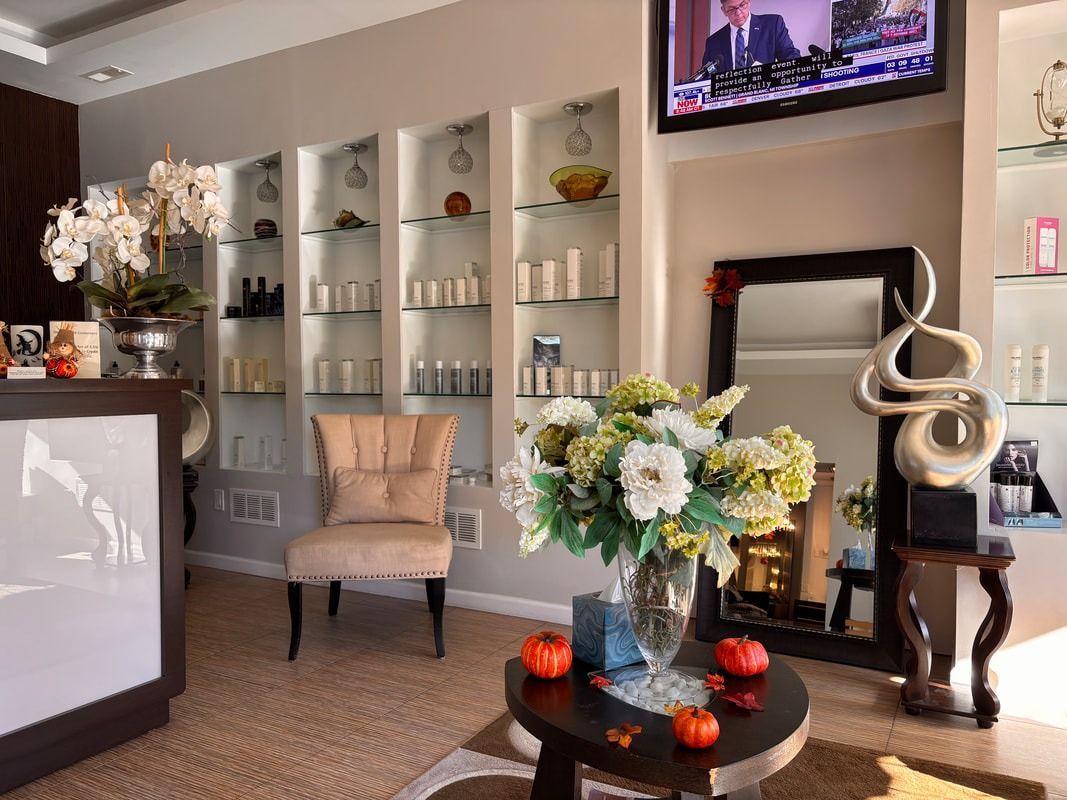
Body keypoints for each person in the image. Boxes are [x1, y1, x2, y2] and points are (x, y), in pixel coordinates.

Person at [702, 0, 801, 73]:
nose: (738, 12)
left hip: (764, 95)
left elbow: (790, 56)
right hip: (728, 98)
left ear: (749, 2)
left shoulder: (772, 25)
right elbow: (706, 76)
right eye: (731, 9)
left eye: (742, 5)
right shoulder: (714, 42)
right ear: (723, 10)